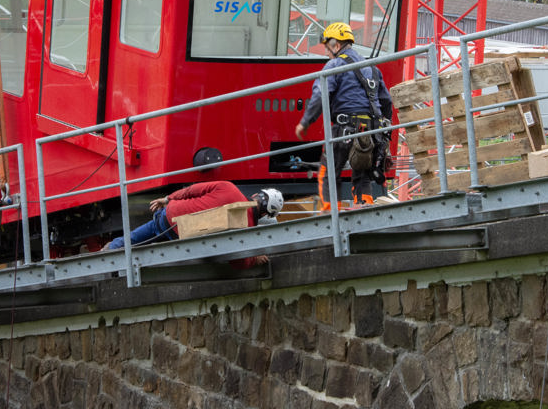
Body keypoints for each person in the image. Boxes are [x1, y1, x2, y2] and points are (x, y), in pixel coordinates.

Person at [294, 22, 393, 210]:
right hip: (372, 130)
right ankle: (364, 207)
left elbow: (320, 95)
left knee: (329, 171)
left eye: (326, 48)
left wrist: (305, 122)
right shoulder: (372, 68)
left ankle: (331, 214)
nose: (326, 53)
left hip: (344, 128)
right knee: (363, 172)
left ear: (336, 45)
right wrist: (385, 132)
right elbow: (386, 102)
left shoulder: (334, 65)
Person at [105, 181, 284, 254]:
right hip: (184, 239)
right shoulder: (247, 229)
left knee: (141, 236)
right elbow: (239, 262)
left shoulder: (228, 187)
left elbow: (191, 190)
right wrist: (254, 259)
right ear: (266, 215)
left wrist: (167, 198)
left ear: (256, 195)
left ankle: (113, 249)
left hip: (170, 216)